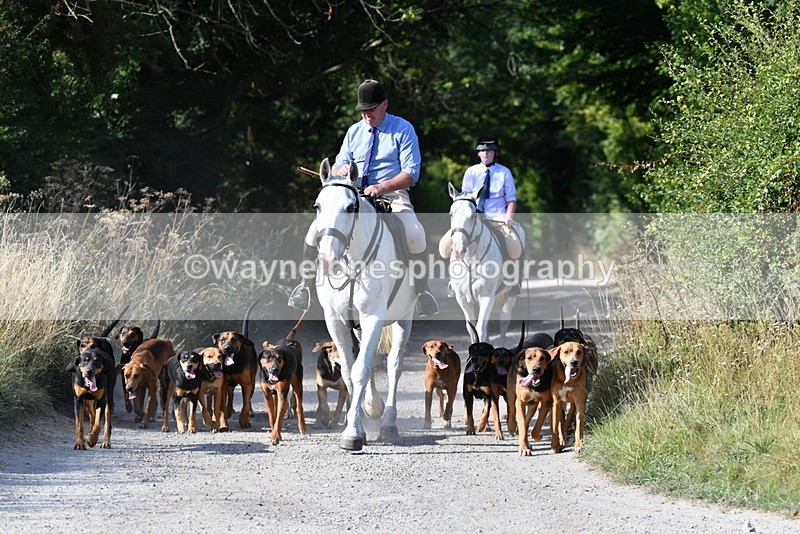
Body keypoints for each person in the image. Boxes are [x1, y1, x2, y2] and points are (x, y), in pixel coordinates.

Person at [288, 79, 439, 316]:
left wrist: (382, 187)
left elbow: (411, 172)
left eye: (371, 109)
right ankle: (305, 287)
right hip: (354, 196)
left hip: (392, 195)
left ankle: (422, 291)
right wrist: (339, 171)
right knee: (314, 230)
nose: (366, 115)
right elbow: (339, 163)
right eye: (363, 111)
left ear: (385, 105)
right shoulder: (354, 131)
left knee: (414, 233)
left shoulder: (403, 129)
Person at [439, 135, 525, 294]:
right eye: (483, 151)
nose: (486, 153)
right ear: (478, 154)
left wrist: (509, 217)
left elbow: (511, 199)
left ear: (495, 153)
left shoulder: (504, 172)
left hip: (498, 218)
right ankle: (454, 280)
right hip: (474, 217)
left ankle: (513, 282)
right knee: (445, 246)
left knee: (515, 246)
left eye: (490, 151)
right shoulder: (471, 172)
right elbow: (464, 198)